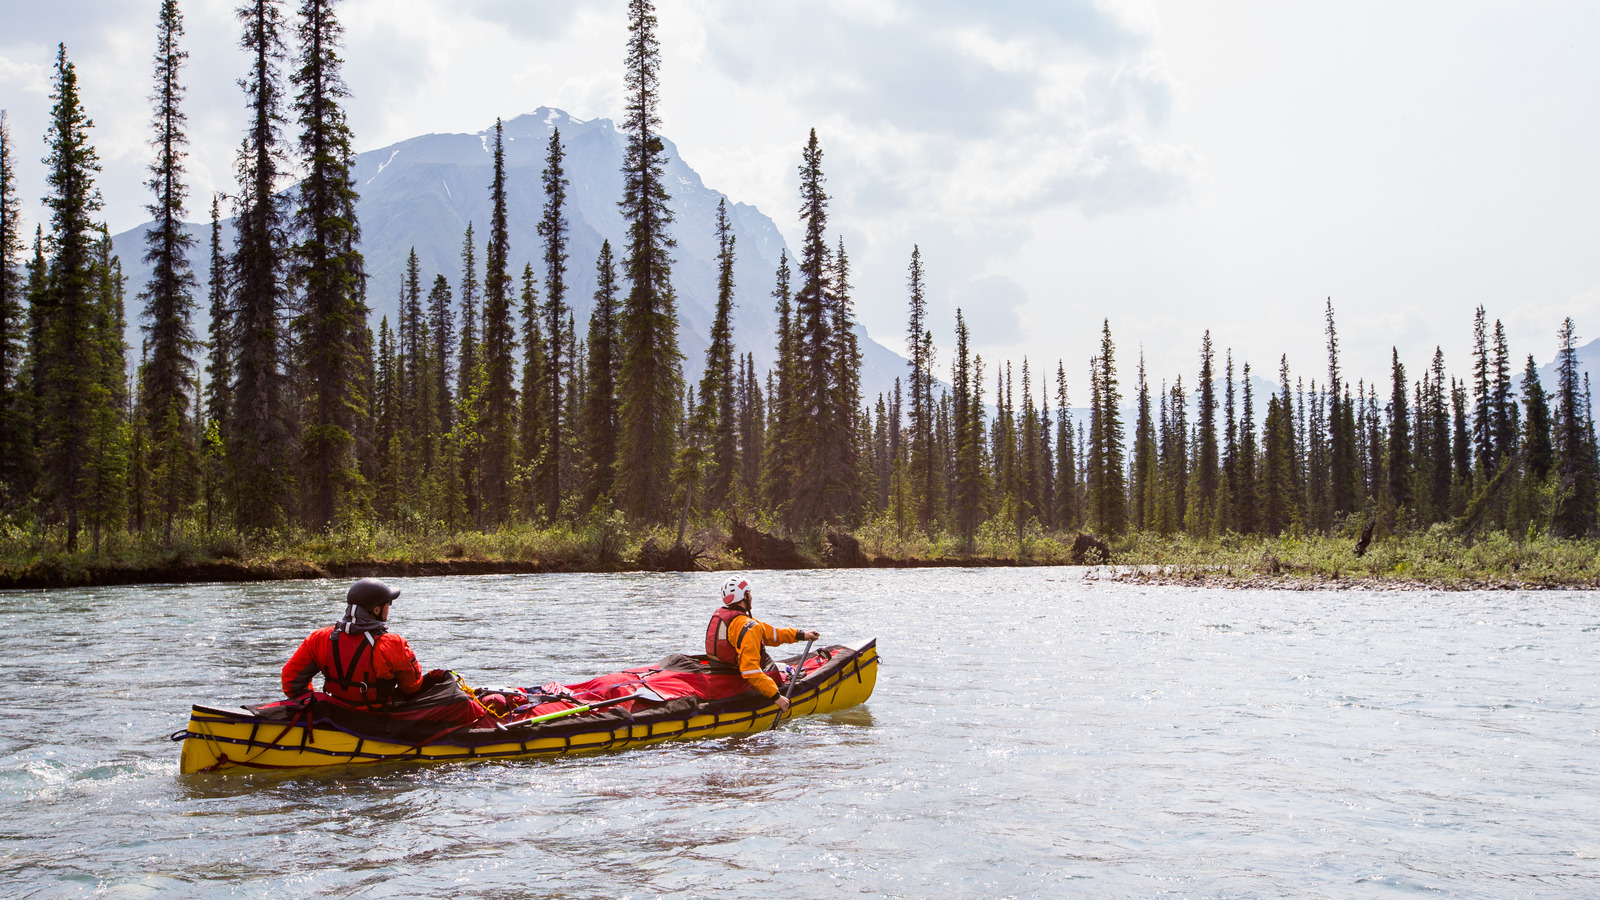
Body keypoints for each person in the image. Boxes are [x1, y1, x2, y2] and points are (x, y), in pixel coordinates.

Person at [281, 578, 450, 709]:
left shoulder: (319, 638)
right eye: (388, 604)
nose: (389, 608)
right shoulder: (392, 644)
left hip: (335, 712)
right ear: (376, 609)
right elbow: (412, 688)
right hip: (376, 717)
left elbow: (291, 681)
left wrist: (314, 706)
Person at [704, 575, 819, 712]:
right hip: (738, 681)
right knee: (777, 672)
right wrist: (777, 697)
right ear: (744, 595)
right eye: (749, 593)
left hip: (722, 673)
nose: (751, 597)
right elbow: (750, 671)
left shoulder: (729, 616)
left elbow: (772, 634)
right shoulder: (748, 626)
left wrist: (801, 635)